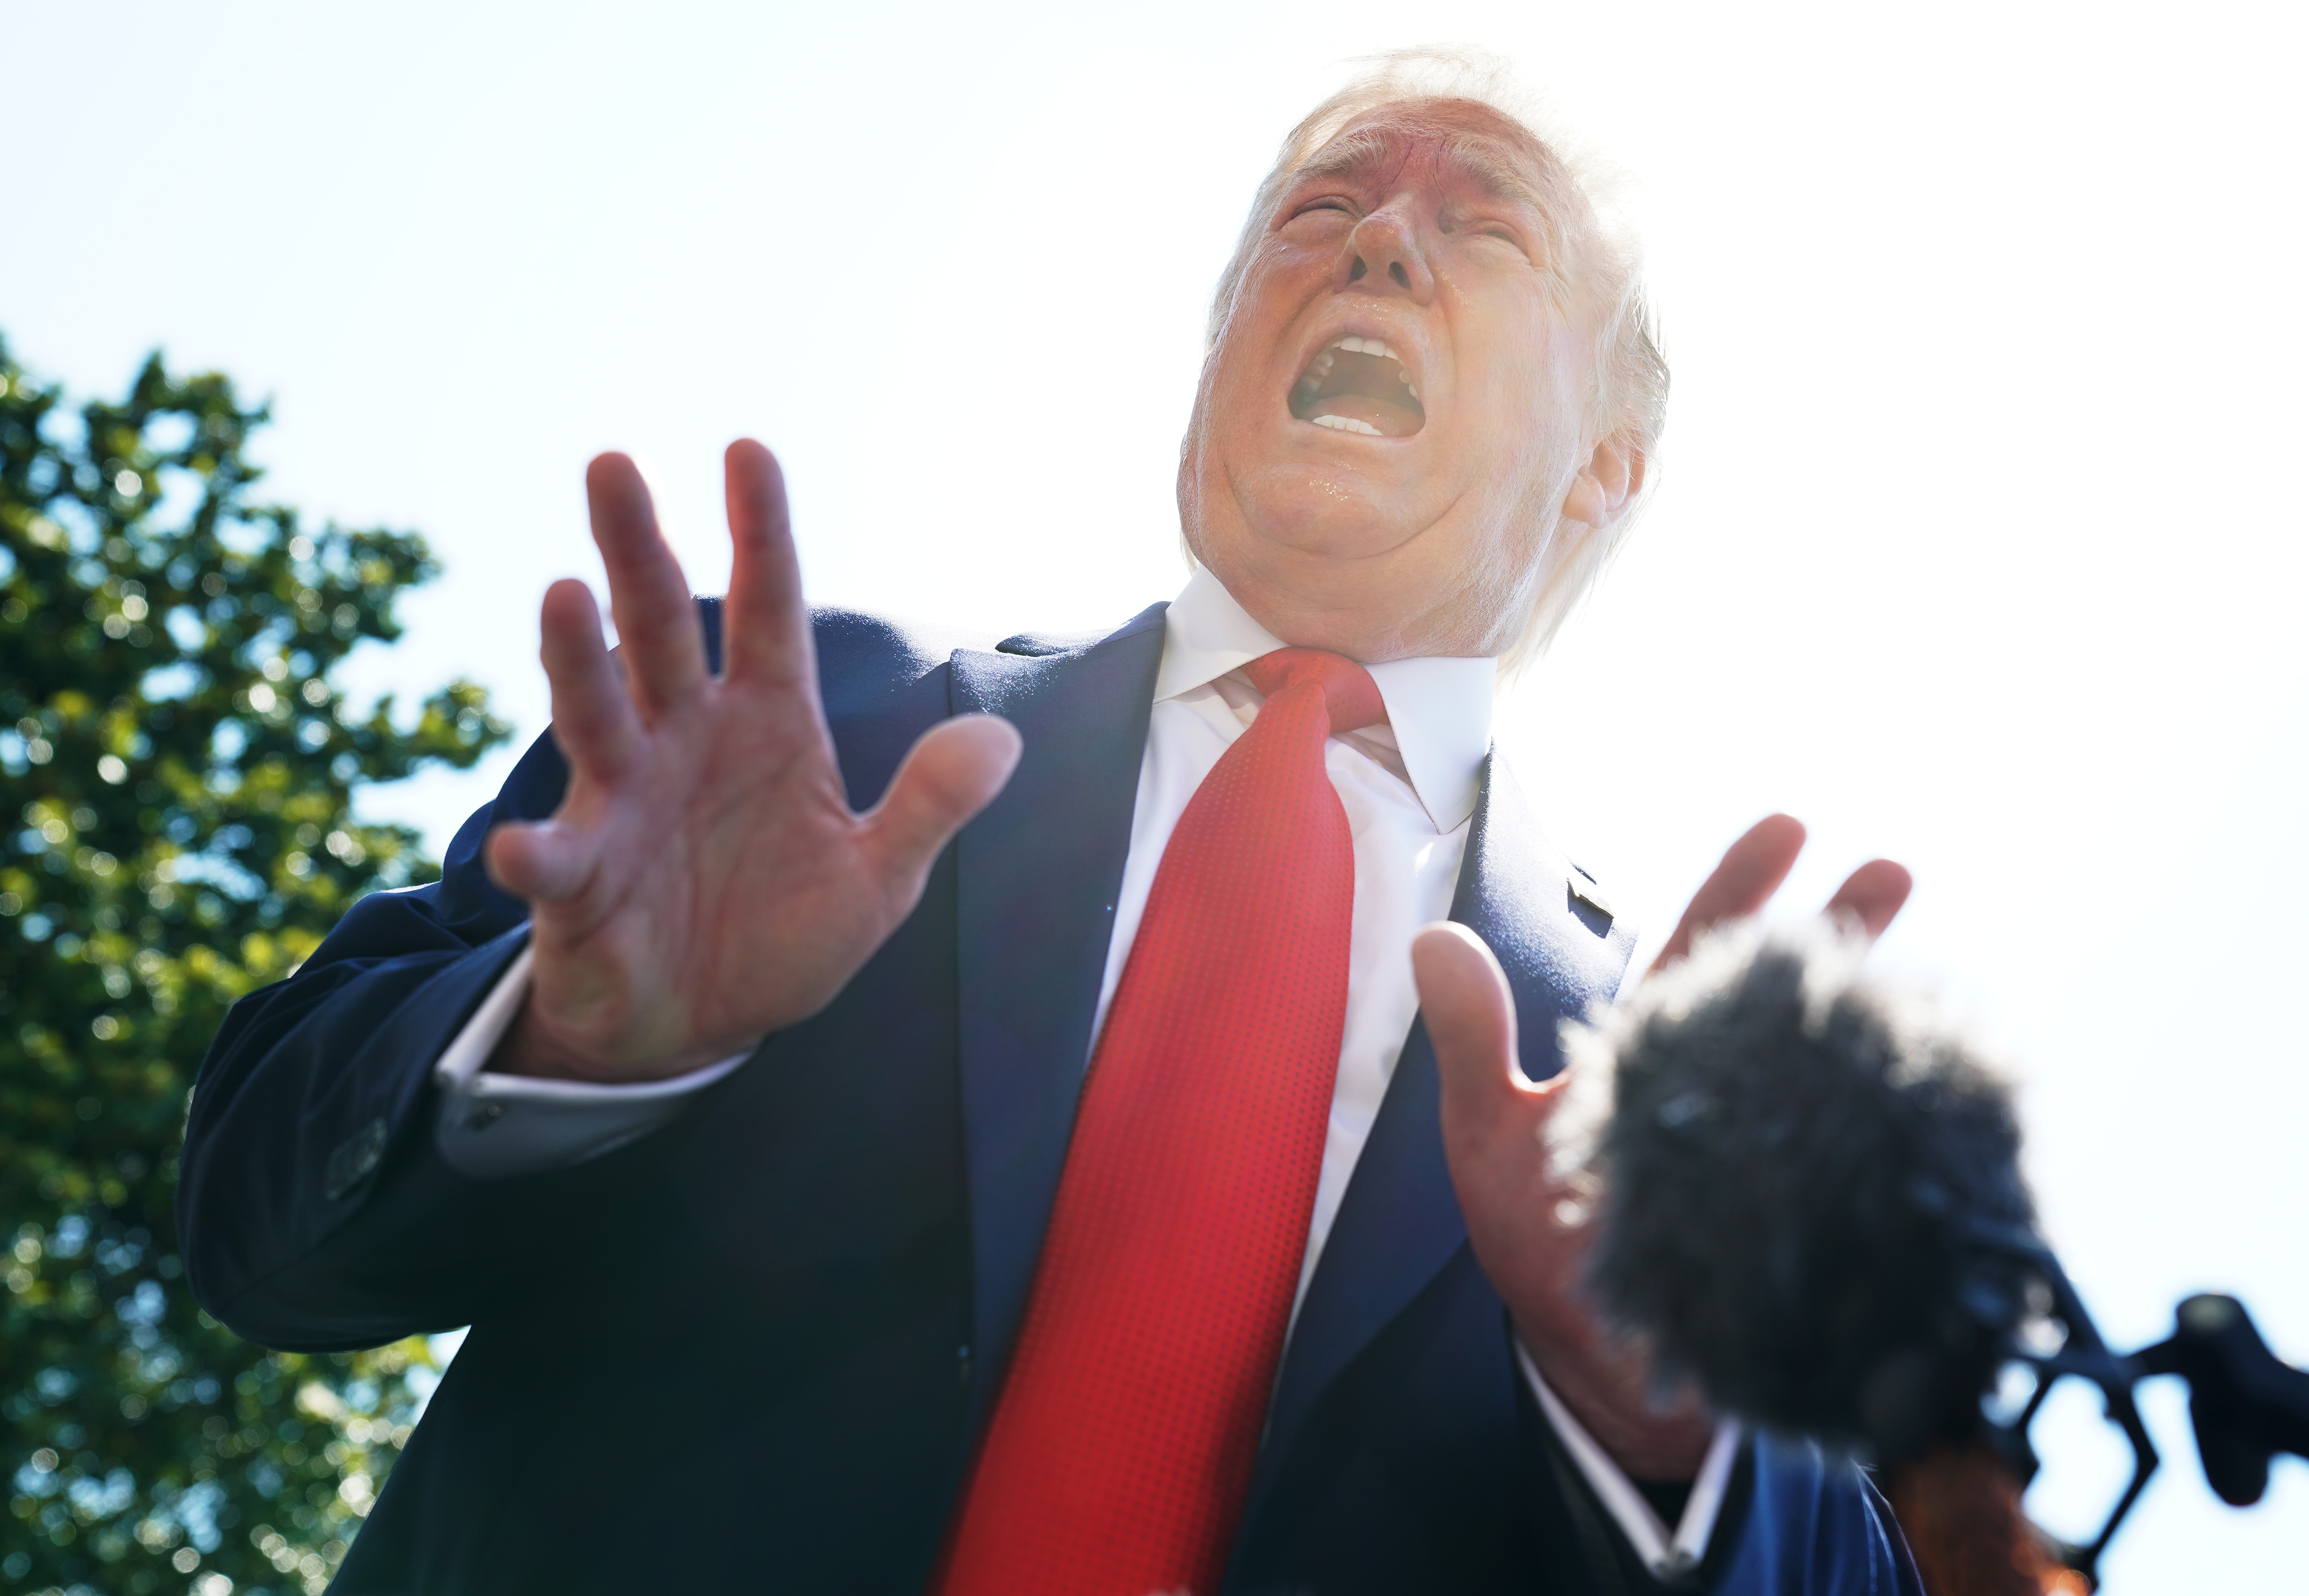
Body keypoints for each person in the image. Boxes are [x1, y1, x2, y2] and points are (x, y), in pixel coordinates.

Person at [180, 49, 1920, 1596]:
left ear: (1606, 463)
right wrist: (562, 1041)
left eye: (1487, 230)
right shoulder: (800, 728)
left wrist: (1676, 1430)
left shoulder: (1667, 1090)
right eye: (1323, 207)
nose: (1380, 241)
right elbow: (255, 1211)